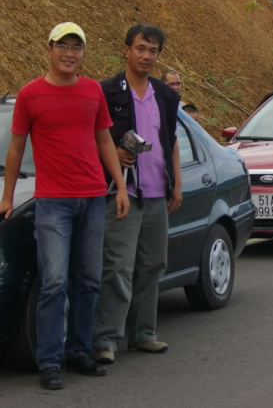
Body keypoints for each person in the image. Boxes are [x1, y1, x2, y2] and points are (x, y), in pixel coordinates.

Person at [0, 22, 130, 390]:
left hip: (94, 197)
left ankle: (79, 352)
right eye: (63, 45)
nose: (69, 53)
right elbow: (16, 148)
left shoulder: (92, 90)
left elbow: (104, 140)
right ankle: (49, 361)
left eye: (76, 47)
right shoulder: (30, 94)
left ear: (83, 53)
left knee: (88, 280)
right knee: (53, 282)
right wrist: (6, 196)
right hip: (53, 204)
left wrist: (121, 187)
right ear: (48, 49)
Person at [93, 24, 182, 365]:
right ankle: (106, 340)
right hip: (123, 193)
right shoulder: (106, 92)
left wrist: (177, 183)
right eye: (141, 48)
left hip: (158, 193)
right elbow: (94, 139)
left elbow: (170, 141)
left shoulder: (166, 94)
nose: (147, 56)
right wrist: (113, 153)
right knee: (117, 268)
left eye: (153, 51)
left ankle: (144, 334)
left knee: (153, 264)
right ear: (126, 50)